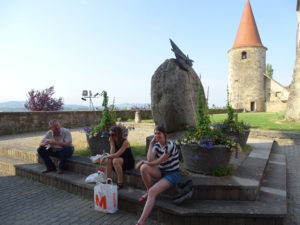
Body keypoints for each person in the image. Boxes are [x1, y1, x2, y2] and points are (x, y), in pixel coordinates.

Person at [135, 125, 181, 225]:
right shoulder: (157, 145)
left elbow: (156, 162)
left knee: (152, 191)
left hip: (173, 174)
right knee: (144, 168)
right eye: (155, 133)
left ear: (164, 134)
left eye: (159, 133)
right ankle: (150, 192)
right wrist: (151, 144)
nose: (156, 135)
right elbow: (150, 159)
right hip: (162, 171)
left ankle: (141, 222)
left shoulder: (170, 145)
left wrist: (142, 161)